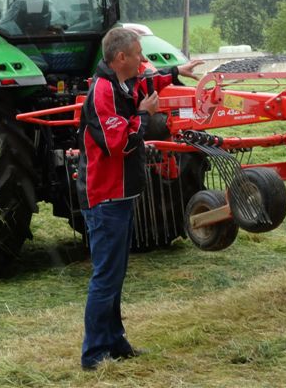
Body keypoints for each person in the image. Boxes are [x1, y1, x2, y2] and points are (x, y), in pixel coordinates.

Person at [76, 27, 202, 370]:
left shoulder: (121, 82)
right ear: (120, 59)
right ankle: (93, 354)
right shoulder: (102, 93)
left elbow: (144, 85)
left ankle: (114, 342)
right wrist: (144, 116)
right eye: (137, 54)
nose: (142, 60)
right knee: (105, 276)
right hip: (104, 197)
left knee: (115, 275)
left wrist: (176, 73)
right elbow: (118, 143)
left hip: (120, 195)